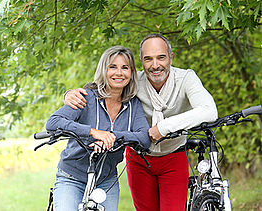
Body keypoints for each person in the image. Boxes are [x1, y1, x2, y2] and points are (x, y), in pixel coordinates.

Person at [64, 34, 218, 211]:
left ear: (171, 57)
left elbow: (209, 110)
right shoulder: (134, 82)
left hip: (174, 156)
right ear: (141, 62)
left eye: (161, 57)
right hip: (139, 159)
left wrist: (163, 128)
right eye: (148, 59)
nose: (155, 65)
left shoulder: (186, 79)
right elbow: (102, 89)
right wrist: (70, 94)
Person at [46, 45, 151, 211]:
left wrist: (111, 136)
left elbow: (144, 139)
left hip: (106, 181)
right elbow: (53, 122)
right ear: (104, 70)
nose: (119, 73)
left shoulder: (134, 104)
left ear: (131, 73)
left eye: (125, 68)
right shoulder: (87, 97)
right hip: (72, 177)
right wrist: (93, 132)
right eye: (113, 67)